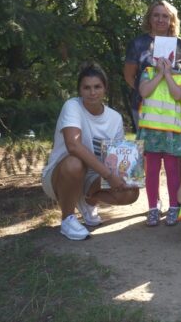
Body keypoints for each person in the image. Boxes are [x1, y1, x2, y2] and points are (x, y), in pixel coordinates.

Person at [41, 63, 140, 241]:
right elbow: (73, 145)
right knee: (75, 162)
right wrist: (110, 175)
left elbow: (117, 157)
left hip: (95, 176)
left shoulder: (115, 118)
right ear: (79, 90)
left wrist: (131, 174)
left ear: (105, 89)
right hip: (62, 175)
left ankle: (87, 201)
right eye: (86, 87)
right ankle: (67, 220)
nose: (92, 92)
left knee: (130, 193)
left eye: (97, 87)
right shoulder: (72, 106)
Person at [138, 49, 181, 226]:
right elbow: (144, 92)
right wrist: (160, 73)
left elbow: (177, 94)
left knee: (172, 171)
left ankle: (174, 207)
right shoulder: (148, 72)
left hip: (171, 131)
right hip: (151, 130)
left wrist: (167, 74)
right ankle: (153, 208)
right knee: (151, 171)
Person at [123, 0, 181, 131]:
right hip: (143, 106)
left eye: (165, 16)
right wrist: (147, 90)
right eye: (156, 15)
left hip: (173, 108)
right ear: (149, 18)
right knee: (146, 150)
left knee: (171, 150)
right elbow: (129, 76)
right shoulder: (138, 43)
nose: (160, 19)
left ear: (172, 20)